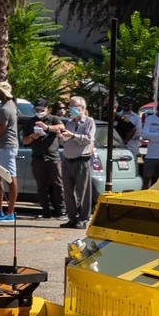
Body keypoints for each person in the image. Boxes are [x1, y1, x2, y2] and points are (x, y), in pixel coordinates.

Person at [57, 95, 96, 228]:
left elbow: (88, 139)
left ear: (82, 108)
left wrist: (73, 135)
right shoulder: (69, 122)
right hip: (68, 160)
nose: (72, 109)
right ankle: (72, 217)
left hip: (81, 161)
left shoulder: (89, 122)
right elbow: (64, 141)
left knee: (83, 192)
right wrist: (62, 137)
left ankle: (84, 218)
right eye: (71, 106)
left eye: (75, 106)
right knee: (68, 192)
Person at [22, 98, 65, 217]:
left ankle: (61, 210)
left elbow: (61, 127)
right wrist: (32, 137)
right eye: (36, 109)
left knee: (58, 185)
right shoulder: (31, 122)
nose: (39, 112)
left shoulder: (53, 119)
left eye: (41, 109)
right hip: (38, 158)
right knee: (41, 186)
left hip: (52, 158)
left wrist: (47, 127)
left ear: (47, 109)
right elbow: (25, 141)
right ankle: (45, 211)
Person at [0, 79, 20, 222]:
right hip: (2, 146)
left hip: (6, 147)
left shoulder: (5, 109)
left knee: (10, 178)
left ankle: (10, 211)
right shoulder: (10, 106)